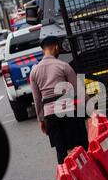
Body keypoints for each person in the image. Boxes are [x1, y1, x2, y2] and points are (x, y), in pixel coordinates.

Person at [30, 36, 89, 164]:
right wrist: (91, 110)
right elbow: (80, 91)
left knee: (60, 150)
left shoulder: (34, 71)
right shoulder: (63, 66)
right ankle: (89, 177)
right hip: (68, 111)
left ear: (43, 50)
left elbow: (37, 99)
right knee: (81, 146)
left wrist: (41, 119)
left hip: (50, 115)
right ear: (56, 47)